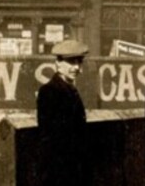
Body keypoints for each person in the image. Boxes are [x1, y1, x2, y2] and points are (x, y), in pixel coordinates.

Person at [36, 39, 89, 186]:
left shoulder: (69, 89)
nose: (76, 67)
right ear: (58, 63)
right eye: (71, 62)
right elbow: (52, 138)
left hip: (71, 169)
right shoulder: (49, 91)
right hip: (59, 172)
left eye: (79, 62)